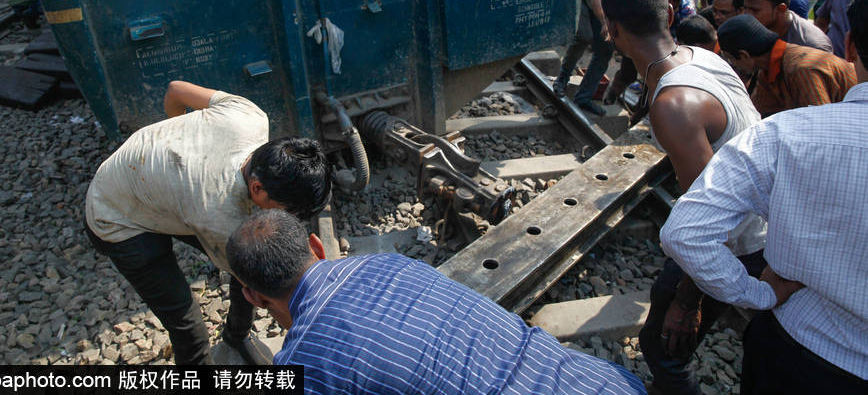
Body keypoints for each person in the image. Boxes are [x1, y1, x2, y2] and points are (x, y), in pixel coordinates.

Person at [659, 0, 868, 394]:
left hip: (802, 353)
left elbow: (685, 233)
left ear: (851, 45)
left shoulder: (789, 132)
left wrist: (756, 293)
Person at [228, 209, 647, 395]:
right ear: (317, 247)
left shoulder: (302, 366)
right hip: (603, 383)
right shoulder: (387, 264)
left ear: (253, 297)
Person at [599, 0, 766, 395]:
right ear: (670, 12)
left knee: (663, 346)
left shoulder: (675, 104)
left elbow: (713, 222)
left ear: (611, 29)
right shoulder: (700, 56)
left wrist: (688, 303)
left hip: (743, 240)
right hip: (761, 213)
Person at [84, 81, 333, 365]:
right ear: (257, 189)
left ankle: (237, 336)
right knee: (189, 327)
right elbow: (255, 281)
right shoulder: (217, 214)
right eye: (286, 210)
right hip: (117, 217)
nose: (287, 219)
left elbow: (175, 90)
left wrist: (177, 144)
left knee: (249, 265)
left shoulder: (249, 116)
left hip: (156, 186)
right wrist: (307, 327)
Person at [553, 0, 658, 115]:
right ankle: (561, 80)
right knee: (584, 36)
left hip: (608, 1)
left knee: (606, 48)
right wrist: (606, 24)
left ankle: (583, 98)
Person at [717, 14, 855, 116]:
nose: (734, 66)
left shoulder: (800, 69)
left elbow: (819, 125)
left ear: (744, 55)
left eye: (731, 60)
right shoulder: (766, 72)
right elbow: (756, 116)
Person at [743, 0, 831, 52]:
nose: (746, 15)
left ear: (781, 9)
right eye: (745, 8)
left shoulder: (811, 46)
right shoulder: (749, 31)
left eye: (755, 10)